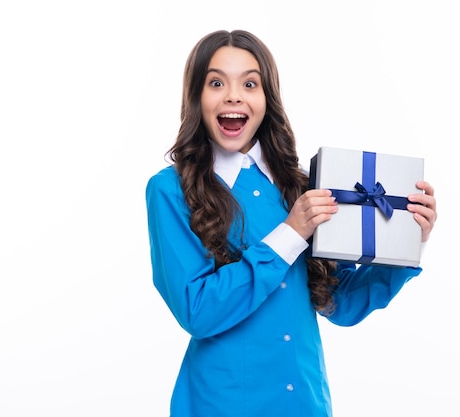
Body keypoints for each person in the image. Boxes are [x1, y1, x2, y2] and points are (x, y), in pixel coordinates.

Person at [145, 29, 437, 417]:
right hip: (221, 404)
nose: (233, 95)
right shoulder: (170, 190)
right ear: (197, 97)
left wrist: (406, 240)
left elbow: (342, 303)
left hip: (304, 403)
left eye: (250, 83)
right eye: (216, 82)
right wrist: (290, 234)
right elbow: (197, 310)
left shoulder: (300, 186)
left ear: (267, 100)